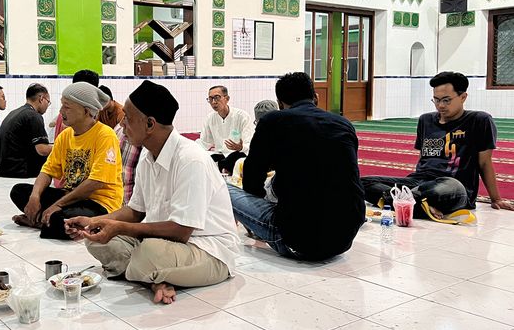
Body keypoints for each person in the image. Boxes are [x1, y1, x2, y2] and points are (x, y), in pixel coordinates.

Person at [65, 81, 239, 305]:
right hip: (165, 244)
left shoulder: (190, 159)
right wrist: (93, 221)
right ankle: (155, 277)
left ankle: (151, 274)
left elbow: (181, 231)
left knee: (148, 252)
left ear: (149, 124)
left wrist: (120, 228)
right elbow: (135, 211)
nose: (122, 123)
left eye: (127, 117)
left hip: (208, 251)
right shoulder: (148, 157)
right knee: (96, 239)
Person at [227, 72, 364, 261]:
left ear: (280, 102)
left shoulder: (273, 121)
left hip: (296, 240)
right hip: (345, 238)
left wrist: (255, 219)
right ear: (315, 97)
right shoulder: (344, 123)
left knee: (224, 187)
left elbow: (252, 176)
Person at [362, 71, 514, 216]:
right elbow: (423, 159)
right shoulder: (425, 120)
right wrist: (413, 186)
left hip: (454, 185)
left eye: (446, 100)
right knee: (363, 183)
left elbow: (485, 163)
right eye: (436, 100)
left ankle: (400, 201)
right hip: (419, 182)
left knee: (445, 189)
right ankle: (415, 204)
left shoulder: (479, 121)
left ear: (463, 97)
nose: (440, 105)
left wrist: (496, 199)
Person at [10, 82, 123, 239]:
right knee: (19, 191)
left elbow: (95, 182)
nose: (61, 111)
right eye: (62, 105)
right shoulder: (65, 135)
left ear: (86, 110)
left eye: (67, 106)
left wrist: (57, 205)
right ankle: (45, 220)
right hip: (70, 196)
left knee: (60, 219)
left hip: (99, 203)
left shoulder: (105, 135)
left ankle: (41, 221)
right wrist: (35, 196)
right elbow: (47, 170)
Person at [0, 83, 52, 178]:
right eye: (48, 102)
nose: (48, 105)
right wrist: (63, 147)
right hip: (19, 169)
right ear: (41, 99)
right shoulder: (34, 116)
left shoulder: (15, 112)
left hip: (4, 167)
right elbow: (42, 150)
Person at [198, 85, 255, 173]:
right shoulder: (210, 118)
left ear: (227, 99)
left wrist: (240, 147)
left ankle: (222, 168)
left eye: (217, 98)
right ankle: (221, 168)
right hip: (220, 155)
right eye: (210, 99)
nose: (213, 102)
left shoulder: (242, 116)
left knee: (235, 158)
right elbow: (204, 143)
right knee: (203, 159)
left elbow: (249, 145)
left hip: (238, 154)